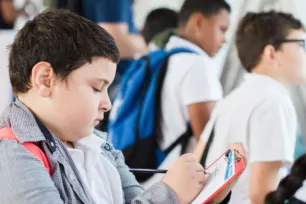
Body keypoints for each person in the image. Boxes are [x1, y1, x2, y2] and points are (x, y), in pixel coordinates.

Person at [0, 9, 245, 204]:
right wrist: (170, 193)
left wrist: (205, 197)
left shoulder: (98, 145)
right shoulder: (12, 158)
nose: (106, 104)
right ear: (44, 79)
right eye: (97, 88)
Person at [195, 11, 306, 204]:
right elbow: (262, 196)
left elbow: (197, 164)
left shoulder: (231, 99)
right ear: (271, 53)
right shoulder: (274, 101)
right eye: (301, 45)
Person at [142, 0, 230, 187]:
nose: (224, 39)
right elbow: (210, 142)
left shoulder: (165, 55)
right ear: (198, 21)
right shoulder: (197, 65)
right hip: (175, 187)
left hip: (149, 178)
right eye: (222, 29)